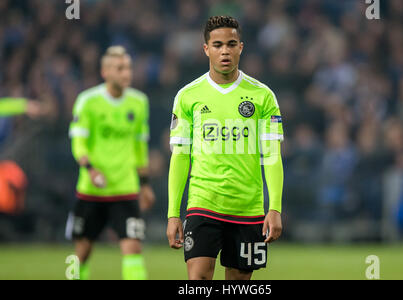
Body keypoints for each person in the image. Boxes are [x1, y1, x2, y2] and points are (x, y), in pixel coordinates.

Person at [166, 16, 284, 280]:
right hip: (203, 204)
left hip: (248, 208)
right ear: (206, 49)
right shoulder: (188, 96)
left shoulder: (262, 96)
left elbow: (272, 155)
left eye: (231, 44)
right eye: (217, 45)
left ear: (241, 47)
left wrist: (274, 207)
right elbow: (180, 156)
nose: (225, 51)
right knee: (198, 280)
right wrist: (173, 213)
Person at [66, 46, 155, 280]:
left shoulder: (139, 102)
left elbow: (139, 147)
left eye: (128, 67)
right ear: (105, 71)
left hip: (125, 188)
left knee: (133, 247)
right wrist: (90, 170)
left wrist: (144, 184)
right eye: (120, 68)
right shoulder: (88, 101)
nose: (126, 73)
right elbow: (79, 143)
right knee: (82, 252)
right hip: (91, 189)